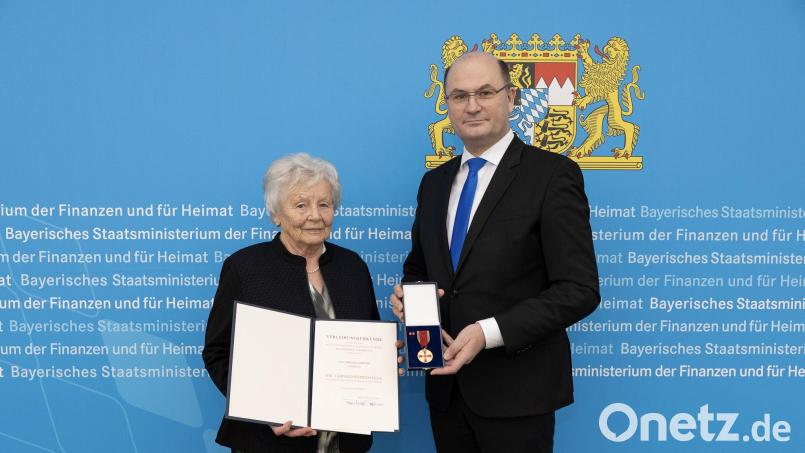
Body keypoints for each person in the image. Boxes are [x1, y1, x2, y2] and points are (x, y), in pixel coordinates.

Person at [390, 51, 600, 453]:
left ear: (511, 97)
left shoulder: (552, 175)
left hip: (518, 394)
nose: (472, 106)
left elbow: (579, 289)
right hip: (446, 392)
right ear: (447, 105)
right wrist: (410, 296)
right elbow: (420, 268)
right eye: (459, 95)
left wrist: (487, 333)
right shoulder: (433, 184)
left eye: (485, 92)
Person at [203, 153, 379, 453]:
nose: (315, 215)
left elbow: (367, 340)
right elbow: (217, 352)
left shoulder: (353, 267)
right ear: (276, 214)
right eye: (301, 205)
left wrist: (380, 362)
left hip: (343, 441)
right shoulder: (244, 268)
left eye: (324, 204)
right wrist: (262, 410)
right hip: (268, 442)